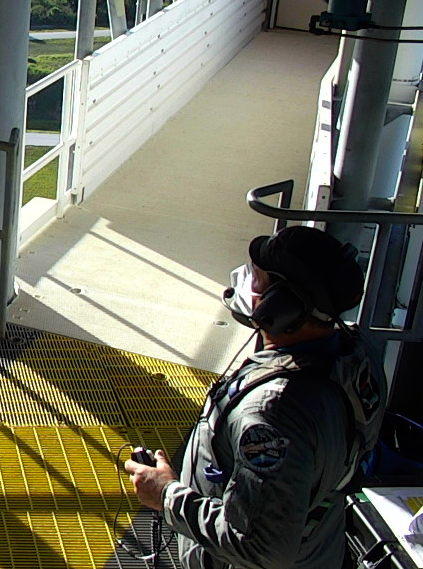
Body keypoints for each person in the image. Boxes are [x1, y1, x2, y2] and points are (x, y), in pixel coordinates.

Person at [125, 225, 386, 569]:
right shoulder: (357, 352)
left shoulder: (271, 414)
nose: (246, 283)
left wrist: (166, 494)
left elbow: (261, 548)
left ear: (283, 309)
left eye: (257, 280)